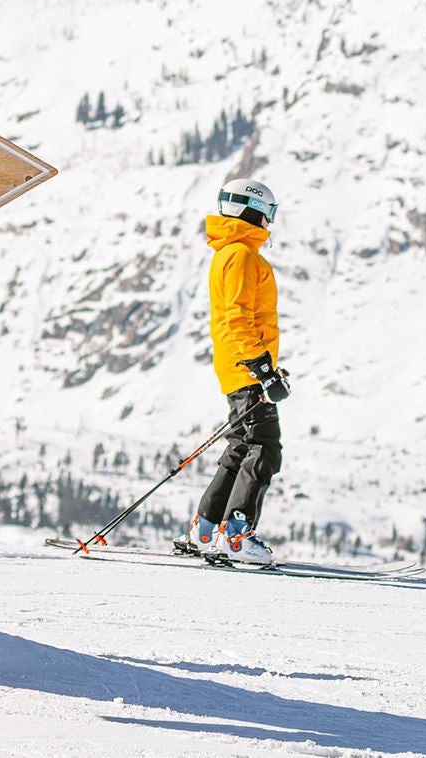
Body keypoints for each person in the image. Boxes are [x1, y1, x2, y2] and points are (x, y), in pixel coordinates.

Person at [174, 178, 290, 567]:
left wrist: (267, 366)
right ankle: (236, 535)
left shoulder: (233, 253)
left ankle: (206, 529)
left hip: (240, 364)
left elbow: (242, 319)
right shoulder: (240, 254)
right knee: (264, 448)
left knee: (241, 445)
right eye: (267, 213)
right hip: (246, 367)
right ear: (252, 209)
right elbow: (238, 317)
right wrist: (261, 368)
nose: (268, 221)